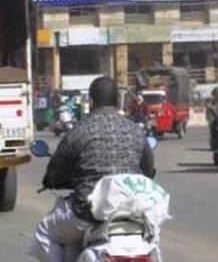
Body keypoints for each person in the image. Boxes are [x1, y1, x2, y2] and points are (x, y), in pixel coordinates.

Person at [27, 76, 156, 262]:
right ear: (116, 101)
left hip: (88, 212)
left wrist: (52, 180)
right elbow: (148, 171)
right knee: (152, 239)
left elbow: (55, 172)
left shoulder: (79, 131)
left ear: (91, 102)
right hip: (132, 211)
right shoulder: (135, 131)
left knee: (45, 232)